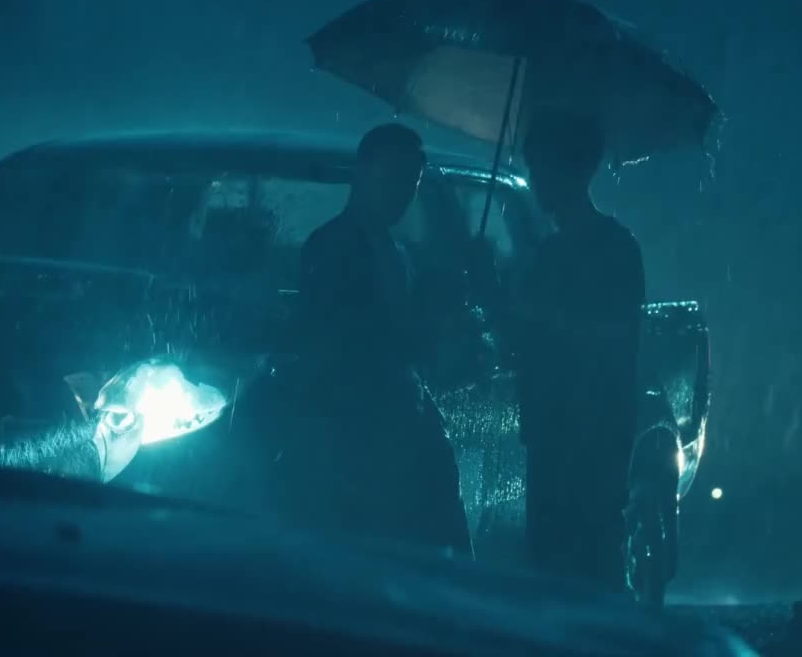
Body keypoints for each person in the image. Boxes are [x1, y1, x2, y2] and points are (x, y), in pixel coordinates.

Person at [271, 123, 473, 556]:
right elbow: (339, 338)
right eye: (393, 178)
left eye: (411, 184)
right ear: (363, 173)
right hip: (353, 431)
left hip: (394, 424)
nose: (402, 194)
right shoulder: (332, 247)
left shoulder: (397, 252)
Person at [512, 108, 646, 592]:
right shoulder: (553, 252)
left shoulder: (612, 249)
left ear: (574, 171)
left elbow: (613, 340)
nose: (534, 180)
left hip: (590, 432)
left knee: (585, 561)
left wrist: (539, 317)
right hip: (557, 429)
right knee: (557, 561)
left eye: (541, 168)